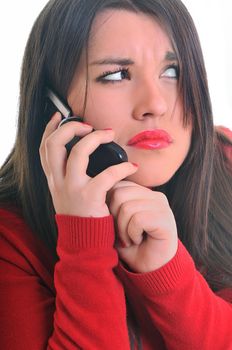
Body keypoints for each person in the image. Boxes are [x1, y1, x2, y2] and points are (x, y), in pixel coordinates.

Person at [0, 0, 232, 349]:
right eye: (116, 75)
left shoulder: (226, 160)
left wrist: (167, 272)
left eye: (172, 72)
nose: (156, 104)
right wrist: (84, 238)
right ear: (55, 110)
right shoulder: (10, 239)